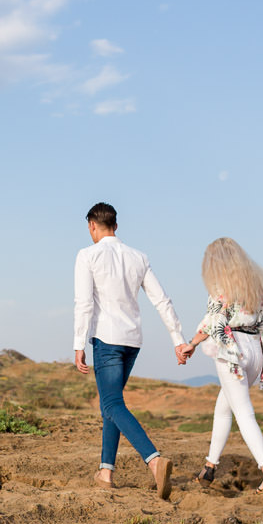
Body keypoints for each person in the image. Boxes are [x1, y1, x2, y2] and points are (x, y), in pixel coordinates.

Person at [74, 202, 187, 499]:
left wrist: (77, 344)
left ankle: (154, 460)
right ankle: (106, 472)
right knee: (112, 405)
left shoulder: (87, 255)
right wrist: (177, 338)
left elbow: (83, 304)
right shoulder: (139, 257)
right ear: (116, 225)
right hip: (132, 341)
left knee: (111, 404)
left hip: (107, 339)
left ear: (92, 227)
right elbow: (162, 300)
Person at [176, 237, 263, 494]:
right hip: (255, 351)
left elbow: (212, 321)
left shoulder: (220, 287)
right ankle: (209, 468)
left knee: (244, 413)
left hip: (232, 351)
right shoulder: (258, 286)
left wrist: (191, 343)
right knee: (223, 408)